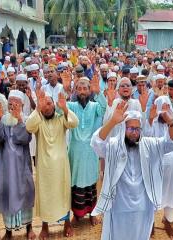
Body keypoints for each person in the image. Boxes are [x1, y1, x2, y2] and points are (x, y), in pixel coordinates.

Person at [90, 101, 173, 240]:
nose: (134, 133)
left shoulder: (149, 144)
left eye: (137, 129)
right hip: (118, 206)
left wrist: (171, 124)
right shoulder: (114, 145)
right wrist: (112, 121)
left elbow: (171, 143)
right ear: (123, 129)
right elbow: (97, 143)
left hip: (142, 207)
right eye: (130, 128)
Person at [26, 90, 79, 238]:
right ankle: (45, 226)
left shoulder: (61, 118)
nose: (47, 107)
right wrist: (37, 108)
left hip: (61, 167)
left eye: (49, 103)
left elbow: (74, 123)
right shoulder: (38, 120)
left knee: (63, 194)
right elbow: (29, 127)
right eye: (44, 104)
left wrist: (65, 108)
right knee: (45, 195)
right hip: (44, 167)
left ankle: (67, 223)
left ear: (54, 105)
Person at [0, 90, 36, 240]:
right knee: (7, 195)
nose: (12, 107)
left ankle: (29, 227)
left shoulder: (27, 119)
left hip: (22, 166)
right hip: (6, 167)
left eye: (16, 104)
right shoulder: (2, 119)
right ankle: (8, 231)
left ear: (22, 105)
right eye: (10, 104)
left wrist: (19, 121)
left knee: (25, 193)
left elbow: (24, 139)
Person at [67, 77, 106, 225]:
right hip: (75, 153)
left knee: (91, 184)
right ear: (76, 91)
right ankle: (76, 214)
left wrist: (99, 92)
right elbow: (59, 109)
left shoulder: (95, 106)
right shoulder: (71, 106)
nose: (82, 92)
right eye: (80, 89)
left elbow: (104, 108)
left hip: (90, 152)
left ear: (90, 90)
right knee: (75, 184)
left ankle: (92, 213)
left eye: (85, 89)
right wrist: (66, 90)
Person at [144, 96, 173, 237]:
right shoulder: (152, 121)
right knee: (152, 193)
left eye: (168, 107)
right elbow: (146, 137)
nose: (165, 110)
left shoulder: (172, 121)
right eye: (163, 107)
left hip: (172, 163)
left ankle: (168, 221)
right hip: (155, 163)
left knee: (170, 194)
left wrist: (170, 122)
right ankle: (150, 223)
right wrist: (150, 120)